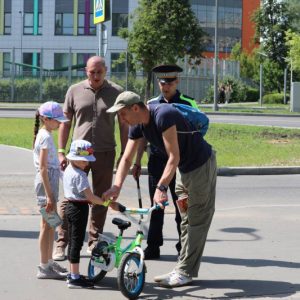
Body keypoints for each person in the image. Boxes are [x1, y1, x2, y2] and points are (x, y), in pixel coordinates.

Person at [103, 91, 217, 288]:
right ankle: (183, 267)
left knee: (197, 219)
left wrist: (161, 187)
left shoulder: (163, 115)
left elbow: (174, 156)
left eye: (122, 114)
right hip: (183, 169)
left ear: (135, 108)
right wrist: (116, 186)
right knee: (185, 220)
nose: (121, 119)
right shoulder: (137, 125)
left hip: (200, 166)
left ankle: (185, 272)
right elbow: (127, 159)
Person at [53, 56, 128, 260]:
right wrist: (61, 150)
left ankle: (94, 240)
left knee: (102, 197)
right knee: (71, 198)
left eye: (99, 72)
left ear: (106, 71)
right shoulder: (74, 90)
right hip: (78, 155)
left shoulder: (116, 92)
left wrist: (124, 153)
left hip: (105, 152)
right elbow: (65, 122)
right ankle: (62, 241)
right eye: (92, 72)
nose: (95, 76)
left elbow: (123, 124)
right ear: (86, 71)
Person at [132, 64, 199, 260]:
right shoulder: (151, 104)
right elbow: (142, 135)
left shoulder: (189, 103)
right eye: (162, 82)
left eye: (169, 82)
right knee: (156, 207)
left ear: (177, 81)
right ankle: (153, 246)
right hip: (157, 162)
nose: (166, 86)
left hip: (181, 163)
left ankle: (183, 248)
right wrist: (137, 162)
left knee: (182, 208)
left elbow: (198, 130)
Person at [63, 139, 118, 289]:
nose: (86, 164)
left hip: (69, 206)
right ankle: (74, 278)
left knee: (73, 242)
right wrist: (106, 203)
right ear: (74, 158)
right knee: (77, 242)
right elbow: (90, 197)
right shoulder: (80, 175)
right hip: (78, 210)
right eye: (83, 161)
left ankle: (72, 273)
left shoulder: (68, 169)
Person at [33, 101, 69, 279]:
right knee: (46, 225)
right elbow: (43, 168)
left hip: (50, 182)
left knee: (50, 224)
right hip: (46, 184)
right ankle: (43, 266)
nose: (60, 123)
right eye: (57, 120)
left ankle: (47, 262)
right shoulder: (45, 136)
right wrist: (49, 196)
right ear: (46, 119)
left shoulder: (45, 133)